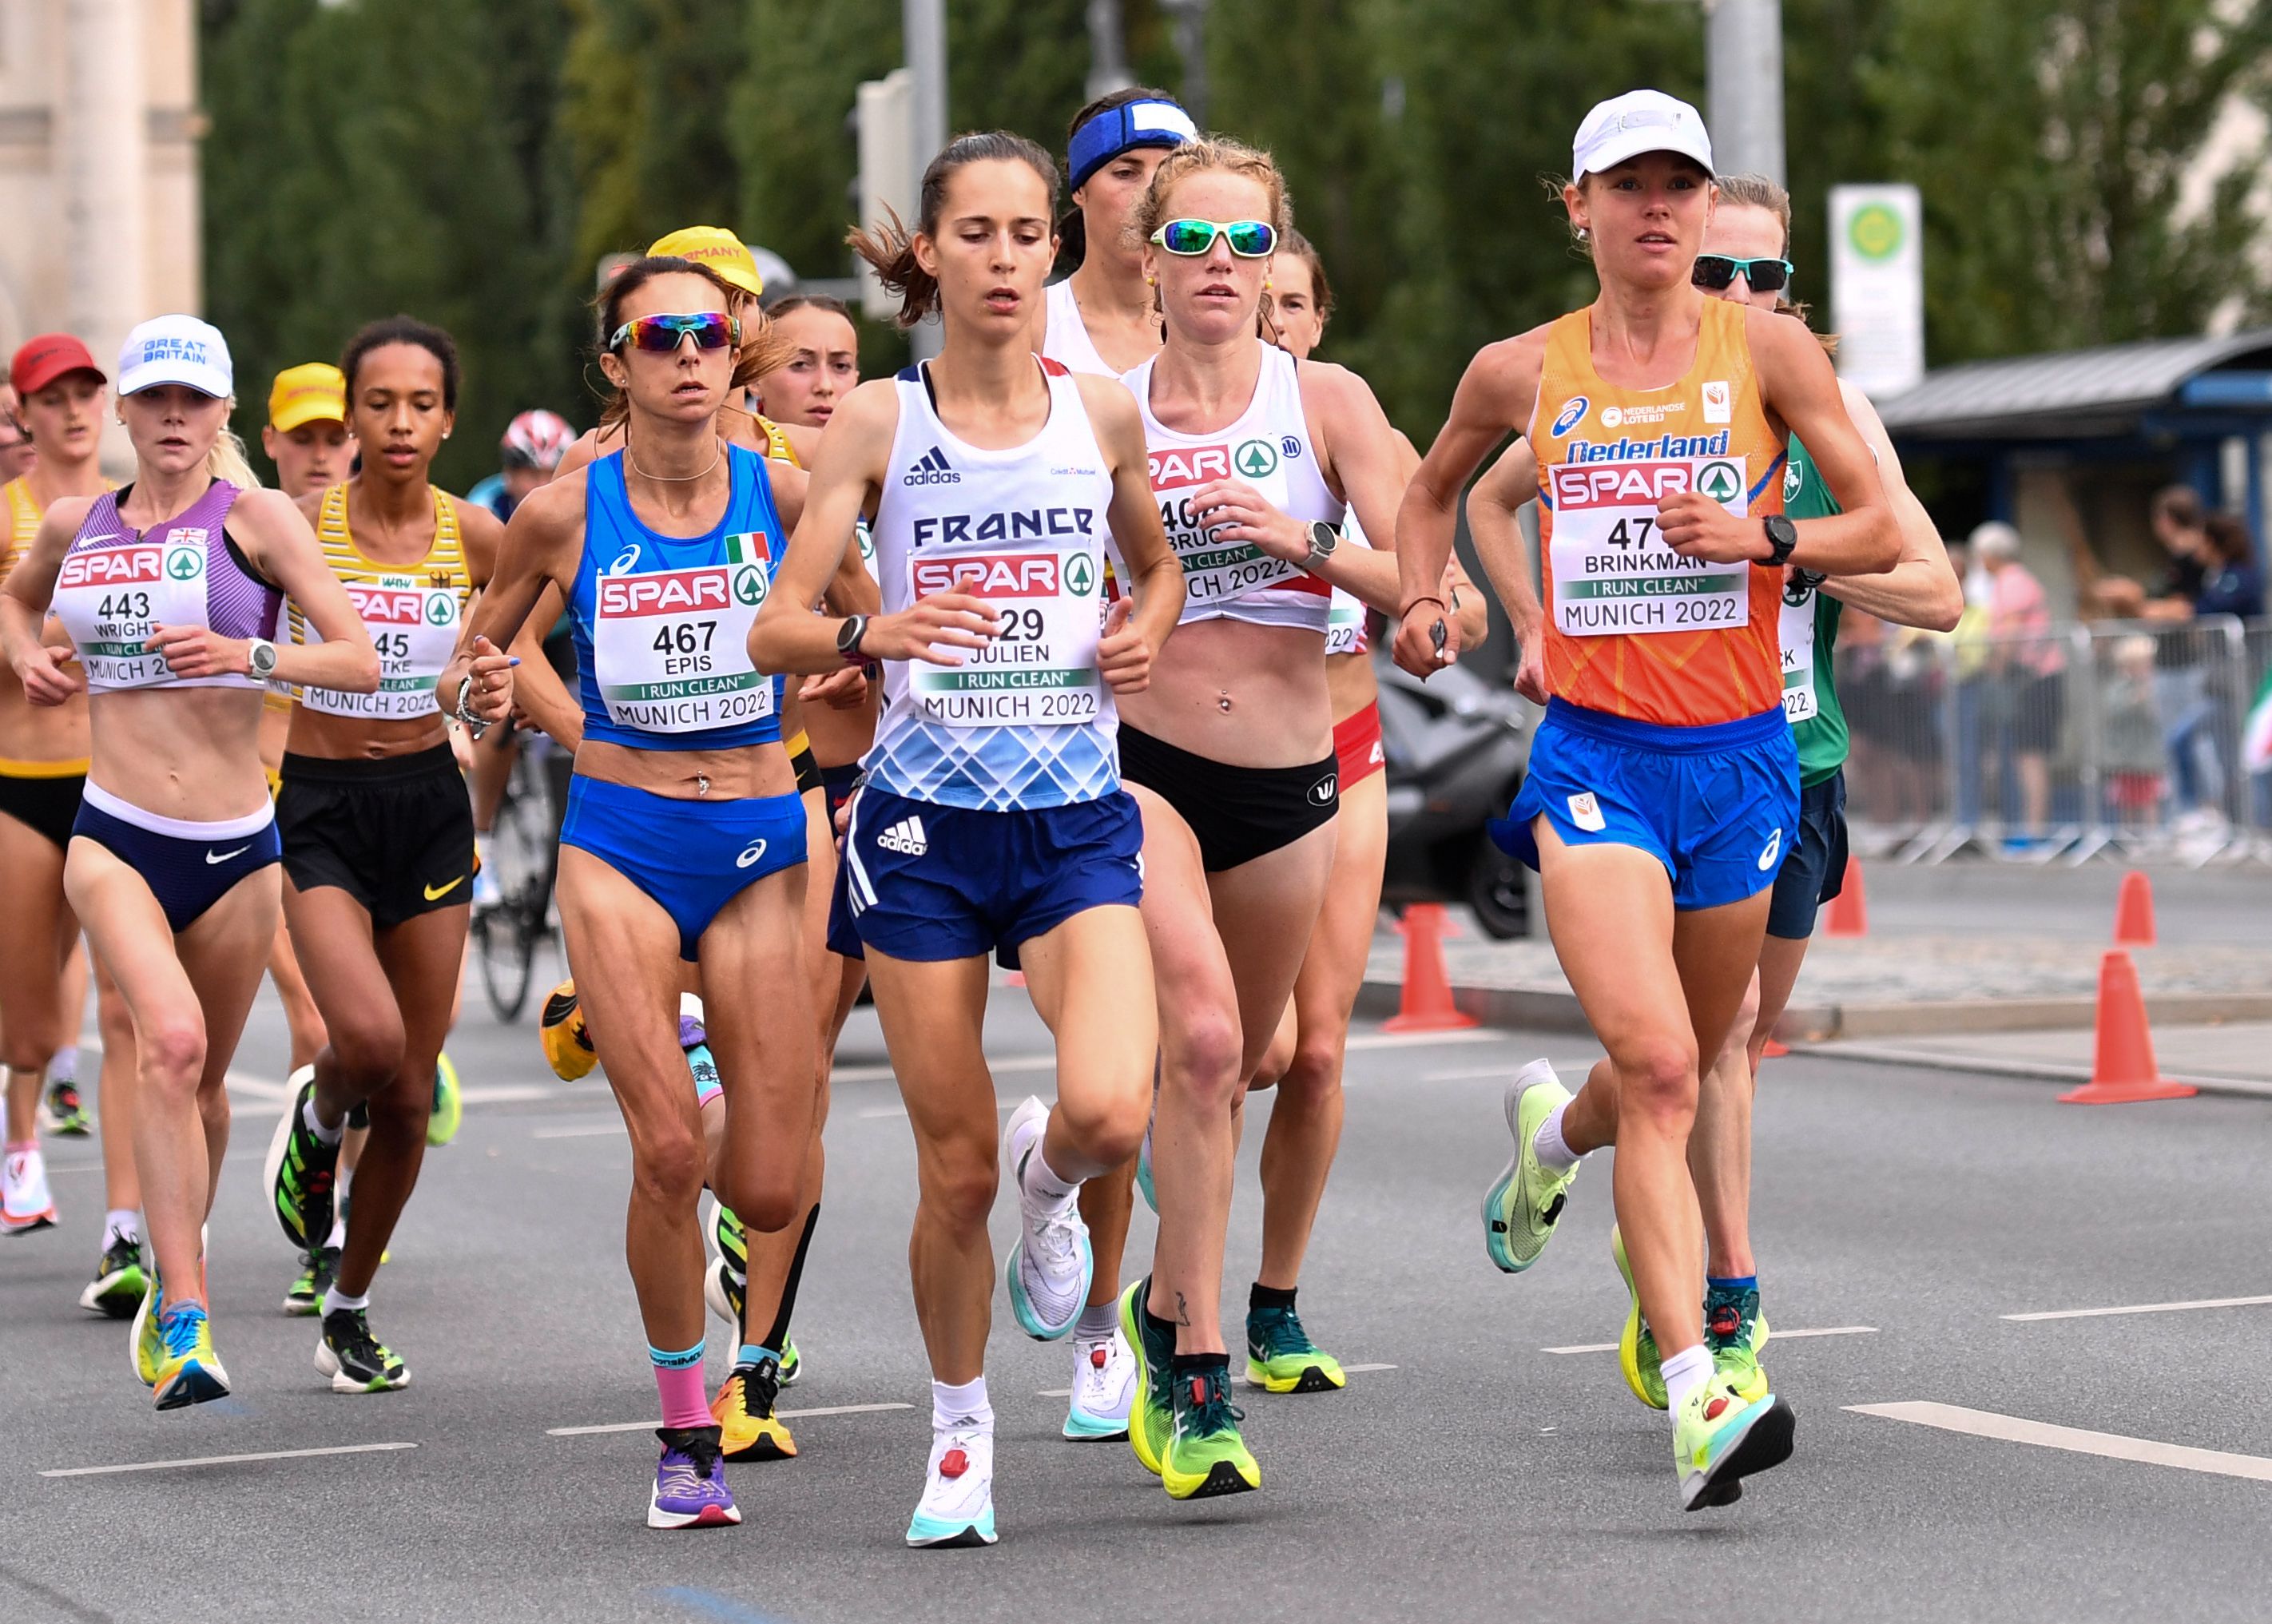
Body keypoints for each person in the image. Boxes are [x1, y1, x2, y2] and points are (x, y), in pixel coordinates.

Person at [1392, 91, 1898, 1510]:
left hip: (1738, 759)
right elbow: (1433, 494)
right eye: (1628, 186)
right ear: (1578, 208)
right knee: (1671, 1067)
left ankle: (1552, 1137)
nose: (1659, 207)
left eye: (1678, 182)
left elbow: (1878, 525)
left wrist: (1766, 533)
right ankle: (1696, 1387)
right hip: (1595, 764)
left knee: (1680, 1045)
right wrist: (1451, 606)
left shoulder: (1769, 350)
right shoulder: (1520, 369)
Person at [1464, 170, 1961, 1418]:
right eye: (1716, 271)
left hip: (1794, 761)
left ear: (1794, 294)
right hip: (1643, 747)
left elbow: (1938, 589)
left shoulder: (1826, 411)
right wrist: (1532, 617)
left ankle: (1557, 1141)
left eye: (1764, 276)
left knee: (1721, 1039)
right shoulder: (1629, 401)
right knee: (1706, 1046)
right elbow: (1488, 489)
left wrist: (1791, 560)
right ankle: (1715, 1309)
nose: (1736, 293)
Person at [752, 130, 1183, 1547]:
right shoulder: (880, 423)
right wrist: (877, 629)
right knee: (944, 1171)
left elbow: (1155, 561)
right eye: (975, 234)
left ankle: (1044, 1174)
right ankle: (956, 1430)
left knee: (1114, 1104)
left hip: (1068, 815)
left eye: (1024, 234)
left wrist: (1145, 627)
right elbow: (777, 623)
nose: (1004, 258)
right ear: (927, 256)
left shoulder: (1102, 411)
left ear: (1053, 251)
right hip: (922, 826)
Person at [447, 254, 819, 1529]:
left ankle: (702, 1066)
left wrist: (871, 675)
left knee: (766, 1187)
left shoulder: (789, 492)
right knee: (667, 1152)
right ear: (617, 364)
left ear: (733, 356)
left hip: (767, 833)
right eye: (657, 337)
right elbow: (479, 648)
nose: (687, 355)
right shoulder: (563, 511)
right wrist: (529, 711)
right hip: (623, 835)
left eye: (708, 334)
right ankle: (682, 1435)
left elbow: (871, 627)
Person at [1, 315, 379, 1409]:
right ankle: (186, 1312)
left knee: (203, 1080)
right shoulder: (76, 522)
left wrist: (249, 653)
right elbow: (16, 599)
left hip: (236, 847)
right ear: (124, 410)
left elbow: (353, 654)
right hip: (112, 830)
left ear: (220, 416)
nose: (173, 418)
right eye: (154, 398)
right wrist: (30, 660)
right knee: (162, 1040)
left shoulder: (252, 520)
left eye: (194, 401)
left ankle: (179, 1248)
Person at [1112, 137, 1412, 1501]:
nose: (1219, 268)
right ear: (1149, 259)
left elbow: (1422, 595)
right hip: (1138, 764)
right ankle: (1197, 1372)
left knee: (1246, 1062)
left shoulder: (1327, 401)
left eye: (1245, 245)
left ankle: (1161, 1300)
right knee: (1209, 1038)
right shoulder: (1097, 408)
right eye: (1193, 244)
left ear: (1272, 252)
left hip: (1295, 777)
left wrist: (1302, 543)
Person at [1228, 231, 1487, 1396]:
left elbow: (1447, 596)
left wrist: (1418, 602)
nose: (1274, 319)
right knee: (1241, 1047)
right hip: (1211, 756)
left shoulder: (1357, 432)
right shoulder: (1167, 424)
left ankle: (1275, 1304)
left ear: (1319, 320)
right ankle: (1140, 1238)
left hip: (1345, 749)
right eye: (1258, 297)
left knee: (1319, 1053)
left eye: (1294, 302)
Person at [260, 317, 499, 1392]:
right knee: (361, 1039)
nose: (399, 422)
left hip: (428, 804)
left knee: (405, 1095)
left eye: (420, 403)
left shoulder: (476, 536)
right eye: (380, 403)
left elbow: (521, 645)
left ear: (448, 419)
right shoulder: (296, 526)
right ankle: (317, 1126)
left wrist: (502, 697)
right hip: (321, 806)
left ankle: (347, 1306)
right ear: (352, 416)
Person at [1029, 85, 1194, 1443]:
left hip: (1209, 726)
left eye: (1172, 169)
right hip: (1040, 738)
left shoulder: (1227, 317)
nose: (1151, 191)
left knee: (1216, 1056)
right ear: (1076, 195)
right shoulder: (1025, 331)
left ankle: (1108, 1311)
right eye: (1127, 169)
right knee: (1117, 1065)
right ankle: (1087, 1287)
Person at [699, 292, 872, 1448]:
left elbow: (890, 616)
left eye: (843, 362)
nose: (821, 381)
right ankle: (752, 1354)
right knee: (779, 1078)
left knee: (805, 1074)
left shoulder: (875, 467)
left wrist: (871, 653)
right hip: (761, 793)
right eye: (799, 363)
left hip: (875, 796)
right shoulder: (735, 480)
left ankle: (755, 1356)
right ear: (755, 380)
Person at [0, 335, 125, 1295]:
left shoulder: (138, 513)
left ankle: (125, 1227)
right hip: (19, 774)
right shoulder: (10, 513)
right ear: (25, 413)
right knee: (31, 1012)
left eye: (89, 391)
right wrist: (37, 639)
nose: (76, 410)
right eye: (55, 396)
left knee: (124, 1004)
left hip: (117, 784)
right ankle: (20, 1133)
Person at [1972, 520, 2063, 842]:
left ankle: (2034, 829)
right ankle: (2029, 825)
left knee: (2030, 755)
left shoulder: (2012, 582)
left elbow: (2009, 635)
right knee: (2025, 754)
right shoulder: (2013, 580)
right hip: (2032, 678)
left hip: (2032, 680)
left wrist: (1994, 670)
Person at [466, 408, 574, 525]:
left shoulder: (584, 511)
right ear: (509, 474)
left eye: (553, 474)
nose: (544, 485)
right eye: (533, 475)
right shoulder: (482, 508)